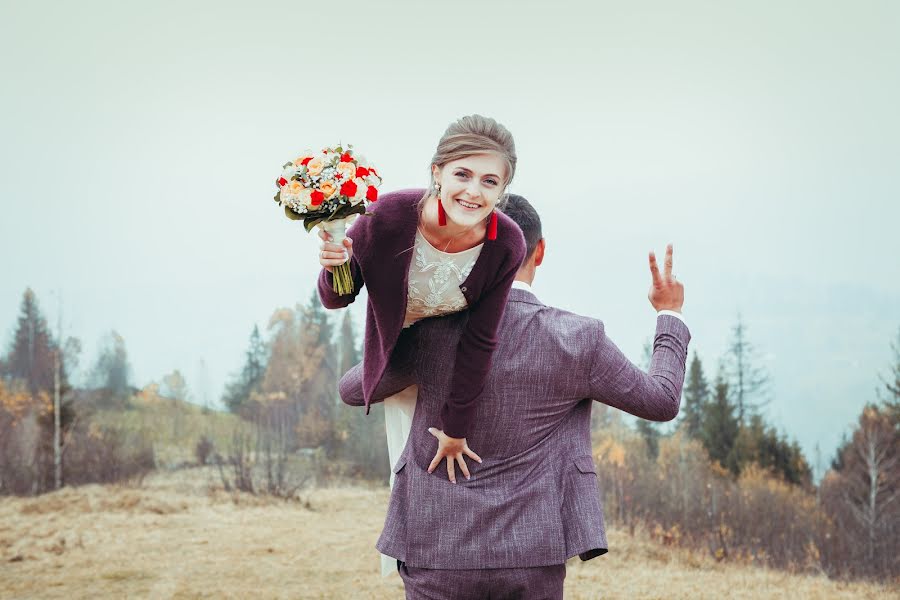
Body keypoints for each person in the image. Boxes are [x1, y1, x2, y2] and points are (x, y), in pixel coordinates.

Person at [340, 195, 691, 599]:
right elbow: (662, 400)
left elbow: (353, 389)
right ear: (539, 251)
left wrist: (405, 327)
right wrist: (670, 313)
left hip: (435, 546)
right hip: (532, 549)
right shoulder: (580, 340)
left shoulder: (431, 334)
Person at [316, 115, 526, 574]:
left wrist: (456, 428)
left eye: (490, 181)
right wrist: (335, 263)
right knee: (405, 474)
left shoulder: (507, 242)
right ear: (437, 172)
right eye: (463, 175)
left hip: (455, 365)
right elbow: (338, 297)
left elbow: (481, 338)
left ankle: (467, 569)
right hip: (398, 356)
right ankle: (415, 574)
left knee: (455, 470)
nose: (474, 192)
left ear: (503, 188)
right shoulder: (388, 215)